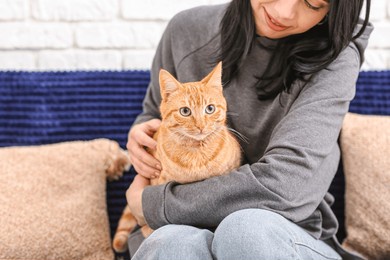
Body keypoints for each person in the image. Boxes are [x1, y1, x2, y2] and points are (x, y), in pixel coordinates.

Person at [126, 0, 373, 259]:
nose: (283, 13)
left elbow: (284, 186)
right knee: (171, 243)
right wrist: (142, 140)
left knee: (244, 232)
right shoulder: (185, 29)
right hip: (179, 225)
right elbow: (154, 115)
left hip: (288, 228)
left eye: (312, 4)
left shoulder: (337, 57)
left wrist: (155, 204)